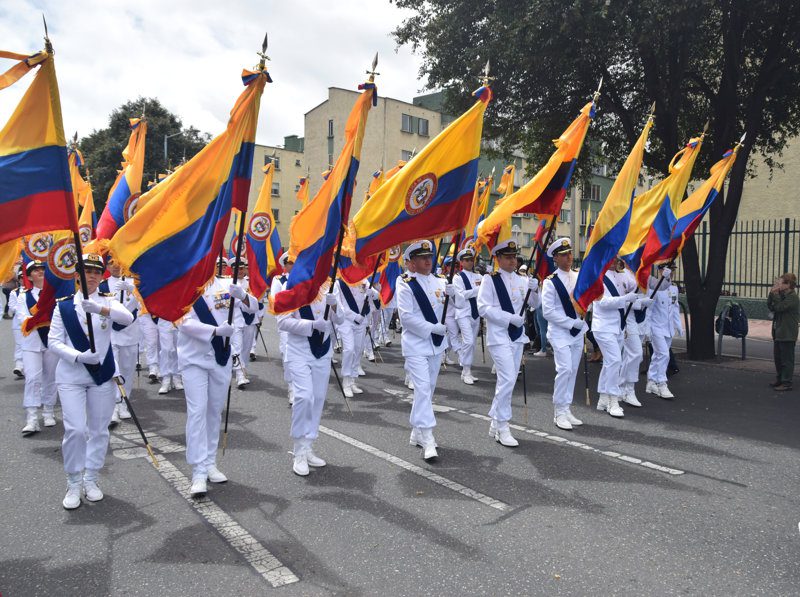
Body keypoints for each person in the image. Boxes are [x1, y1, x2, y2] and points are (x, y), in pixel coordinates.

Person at [48, 253, 134, 509]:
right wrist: (77, 356)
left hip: (101, 377)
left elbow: (126, 319)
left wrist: (100, 309)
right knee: (75, 429)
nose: (93, 275)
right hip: (72, 375)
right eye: (87, 271)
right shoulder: (63, 305)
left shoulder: (107, 301)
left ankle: (91, 477)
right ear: (77, 275)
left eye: (97, 271)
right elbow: (53, 341)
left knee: (99, 430)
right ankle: (73, 480)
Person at [177, 270, 258, 497]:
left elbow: (253, 309)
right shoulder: (183, 286)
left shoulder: (226, 284)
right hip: (194, 359)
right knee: (197, 412)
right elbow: (182, 322)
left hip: (220, 358)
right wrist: (214, 330)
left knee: (214, 412)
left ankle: (210, 462)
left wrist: (242, 296)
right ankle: (198, 471)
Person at [477, 239, 540, 445]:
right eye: (508, 257)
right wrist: (509, 318)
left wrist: (535, 289)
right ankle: (503, 426)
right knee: (507, 379)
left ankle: (495, 421)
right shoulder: (490, 279)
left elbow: (534, 304)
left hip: (517, 336)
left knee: (509, 380)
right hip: (499, 336)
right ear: (498, 259)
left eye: (514, 256)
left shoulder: (523, 279)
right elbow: (483, 308)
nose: (513, 260)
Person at [277, 284, 343, 475]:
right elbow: (282, 322)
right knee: (304, 397)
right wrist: (311, 325)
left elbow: (340, 319)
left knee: (318, 399)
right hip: (299, 351)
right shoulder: (291, 284)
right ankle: (298, 450)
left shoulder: (332, 284)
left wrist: (335, 306)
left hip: (322, 350)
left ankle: (308, 446)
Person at [396, 240, 449, 460]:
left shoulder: (441, 281)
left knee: (428, 389)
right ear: (412, 263)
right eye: (422, 258)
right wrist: (433, 328)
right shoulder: (405, 282)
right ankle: (428, 438)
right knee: (424, 389)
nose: (428, 260)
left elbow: (452, 312)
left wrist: (456, 297)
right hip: (416, 345)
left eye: (429, 256)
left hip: (436, 346)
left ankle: (416, 432)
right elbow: (406, 318)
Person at [541, 238, 588, 431]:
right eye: (563, 255)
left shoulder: (578, 276)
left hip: (577, 332)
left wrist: (584, 316)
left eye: (569, 253)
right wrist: (572, 322)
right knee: (565, 370)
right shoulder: (551, 282)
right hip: (560, 332)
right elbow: (548, 312)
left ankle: (566, 408)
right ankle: (558, 411)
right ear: (555, 258)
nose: (569, 257)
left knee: (573, 370)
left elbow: (585, 300)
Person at [16, 260, 60, 434]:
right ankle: (32, 417)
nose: (40, 272)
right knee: (33, 379)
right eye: (35, 270)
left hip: (51, 340)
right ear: (29, 276)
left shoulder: (54, 295)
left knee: (51, 377)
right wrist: (43, 316)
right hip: (32, 343)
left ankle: (48, 411)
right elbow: (23, 320)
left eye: (43, 269)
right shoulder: (23, 296)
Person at [592, 259, 639, 418]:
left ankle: (603, 398)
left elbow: (637, 284)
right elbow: (602, 302)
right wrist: (625, 299)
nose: (615, 260)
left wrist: (663, 279)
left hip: (618, 326)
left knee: (609, 363)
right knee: (615, 360)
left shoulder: (621, 274)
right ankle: (613, 399)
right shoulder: (598, 276)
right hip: (603, 326)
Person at [104, 256, 140, 423]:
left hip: (130, 332)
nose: (116, 266)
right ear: (107, 266)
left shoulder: (135, 283)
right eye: (111, 263)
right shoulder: (103, 285)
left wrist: (133, 289)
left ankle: (124, 403)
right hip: (110, 333)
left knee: (127, 370)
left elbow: (144, 304)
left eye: (119, 262)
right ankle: (112, 405)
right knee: (113, 371)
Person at [645, 264, 677, 399]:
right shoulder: (655, 288)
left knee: (658, 355)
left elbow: (674, 308)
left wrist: (678, 326)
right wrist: (647, 328)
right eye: (668, 270)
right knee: (664, 354)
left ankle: (651, 381)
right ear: (660, 271)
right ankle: (662, 383)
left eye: (673, 270)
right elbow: (649, 310)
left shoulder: (674, 288)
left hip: (668, 328)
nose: (671, 273)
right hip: (656, 327)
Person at [336, 277, 370, 398]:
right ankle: (346, 381)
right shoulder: (339, 283)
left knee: (358, 350)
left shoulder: (364, 281)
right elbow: (339, 306)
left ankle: (352, 381)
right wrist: (354, 316)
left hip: (360, 321)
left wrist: (373, 292)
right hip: (346, 321)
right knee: (349, 349)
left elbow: (374, 296)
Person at [452, 248, 482, 385]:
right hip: (463, 313)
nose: (470, 262)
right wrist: (477, 290)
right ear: (461, 262)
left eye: (471, 260)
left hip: (476, 313)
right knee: (468, 341)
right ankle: (467, 369)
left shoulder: (479, 276)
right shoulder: (458, 277)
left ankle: (465, 371)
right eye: (467, 260)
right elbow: (461, 295)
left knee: (472, 343)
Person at [767, 272, 799, 391]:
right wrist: (772, 294)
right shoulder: (781, 295)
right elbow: (771, 306)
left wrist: (775, 294)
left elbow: (780, 307)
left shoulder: (793, 298)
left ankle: (787, 382)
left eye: (780, 283)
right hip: (778, 331)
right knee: (778, 357)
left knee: (787, 359)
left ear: (788, 284)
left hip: (787, 333)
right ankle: (780, 378)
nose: (778, 285)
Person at [271, 252, 294, 404]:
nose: (293, 265)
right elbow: (275, 301)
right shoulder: (279, 280)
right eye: (290, 263)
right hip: (287, 321)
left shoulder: (306, 279)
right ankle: (292, 388)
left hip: (302, 321)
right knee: (288, 354)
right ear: (284, 266)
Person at [8, 268, 26, 378]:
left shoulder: (33, 291)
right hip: (18, 323)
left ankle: (26, 365)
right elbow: (12, 306)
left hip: (30, 323)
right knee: (19, 344)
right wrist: (22, 308)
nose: (23, 280)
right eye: (21, 278)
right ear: (19, 280)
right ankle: (19, 365)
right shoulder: (14, 292)